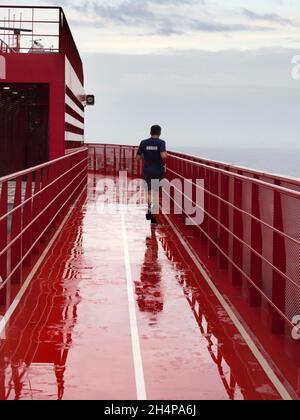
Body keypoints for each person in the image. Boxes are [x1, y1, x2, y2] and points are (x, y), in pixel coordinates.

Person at [136, 125, 167, 224]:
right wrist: (166, 154)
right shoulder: (161, 143)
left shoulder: (144, 142)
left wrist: (144, 156)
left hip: (148, 171)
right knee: (156, 194)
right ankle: (153, 217)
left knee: (149, 192)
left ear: (150, 132)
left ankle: (149, 209)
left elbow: (138, 157)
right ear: (159, 133)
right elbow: (163, 155)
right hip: (158, 171)